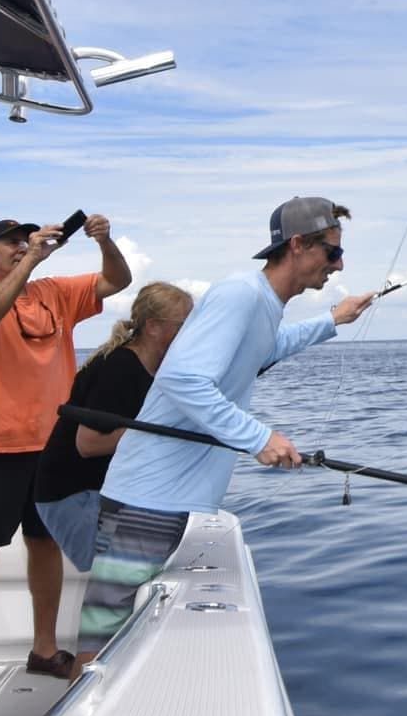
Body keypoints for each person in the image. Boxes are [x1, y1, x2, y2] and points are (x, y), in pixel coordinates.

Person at [79, 197, 374, 644]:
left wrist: (332, 320)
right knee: (103, 631)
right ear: (298, 245)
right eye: (331, 252)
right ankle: (83, 706)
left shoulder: (263, 303)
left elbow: (263, 349)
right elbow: (183, 380)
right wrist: (258, 438)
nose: (339, 263)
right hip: (148, 501)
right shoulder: (240, 294)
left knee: (123, 631)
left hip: (169, 499)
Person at [0, 215, 131, 692]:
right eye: (10, 243)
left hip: (54, 445)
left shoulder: (54, 292)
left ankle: (44, 648)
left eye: (24, 240)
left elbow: (118, 280)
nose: (20, 246)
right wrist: (30, 259)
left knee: (45, 543)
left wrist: (104, 240)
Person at [33, 282, 195, 576]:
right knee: (115, 573)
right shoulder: (119, 368)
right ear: (154, 327)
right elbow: (89, 443)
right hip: (73, 493)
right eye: (183, 325)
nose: (191, 334)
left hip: (103, 490)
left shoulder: (153, 368)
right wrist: (160, 432)